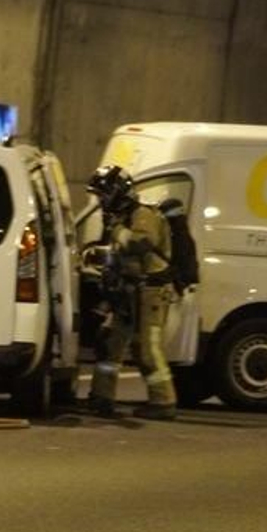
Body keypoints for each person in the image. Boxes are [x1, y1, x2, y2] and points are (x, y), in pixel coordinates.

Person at [84, 164, 178, 420]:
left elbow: (141, 242)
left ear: (115, 192)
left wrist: (117, 232)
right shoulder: (120, 218)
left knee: (147, 349)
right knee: (110, 345)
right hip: (127, 290)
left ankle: (163, 402)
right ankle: (101, 398)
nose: (100, 200)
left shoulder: (142, 214)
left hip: (150, 291)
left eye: (102, 194)